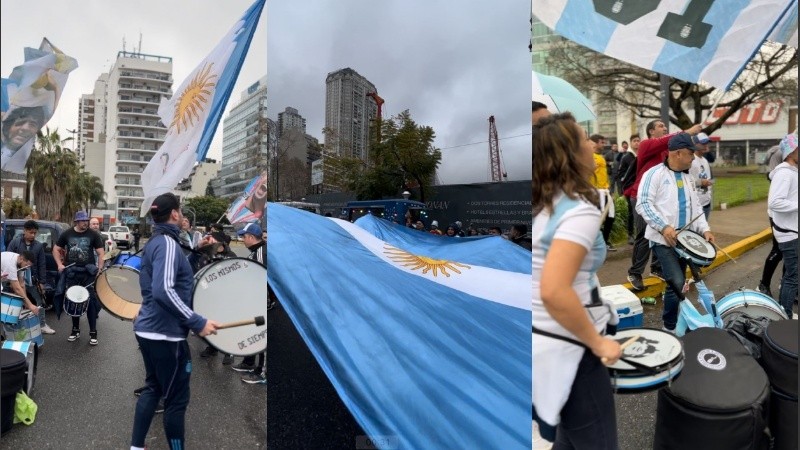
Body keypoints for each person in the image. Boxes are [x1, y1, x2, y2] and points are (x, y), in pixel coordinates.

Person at [532, 112, 622, 447]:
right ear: (571, 153)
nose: (593, 145)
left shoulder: (545, 201)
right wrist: (599, 344)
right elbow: (554, 291)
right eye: (585, 138)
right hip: (572, 348)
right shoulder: (581, 207)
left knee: (570, 440)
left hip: (547, 344)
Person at [129, 193, 219, 450]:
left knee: (153, 387)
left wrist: (194, 255)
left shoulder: (157, 242)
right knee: (176, 401)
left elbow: (177, 278)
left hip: (148, 330)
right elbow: (164, 290)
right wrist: (196, 321)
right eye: (180, 210)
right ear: (175, 214)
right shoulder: (168, 244)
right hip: (166, 334)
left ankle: (136, 447)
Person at [637, 133, 715, 333]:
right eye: (691, 153)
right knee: (677, 282)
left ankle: (674, 320)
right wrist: (664, 227)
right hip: (664, 241)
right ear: (678, 153)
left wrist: (705, 230)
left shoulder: (689, 177)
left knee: (678, 285)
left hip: (685, 241)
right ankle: (669, 327)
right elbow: (643, 204)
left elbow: (696, 207)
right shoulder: (654, 174)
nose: (693, 157)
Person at [624, 120, 702, 291]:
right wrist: (687, 131)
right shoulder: (646, 145)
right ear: (651, 131)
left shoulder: (665, 151)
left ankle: (657, 268)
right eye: (660, 126)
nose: (665, 128)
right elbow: (664, 141)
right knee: (645, 235)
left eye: (665, 127)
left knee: (664, 230)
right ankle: (635, 272)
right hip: (641, 196)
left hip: (660, 196)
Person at [54, 211, 105, 344]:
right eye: (83, 221)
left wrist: (99, 269)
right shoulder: (67, 233)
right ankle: (75, 330)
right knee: (74, 301)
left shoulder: (93, 234)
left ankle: (93, 332)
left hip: (88, 273)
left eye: (87, 220)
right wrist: (59, 264)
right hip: (72, 273)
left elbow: (101, 253)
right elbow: (55, 249)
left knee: (91, 302)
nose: (86, 223)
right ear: (76, 221)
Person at [231, 222, 268, 384]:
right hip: (256, 302)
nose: (242, 240)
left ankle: (262, 373)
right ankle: (253, 365)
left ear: (251, 237)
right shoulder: (256, 252)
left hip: (262, 303)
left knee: (263, 338)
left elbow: (262, 278)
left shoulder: (261, 253)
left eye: (244, 237)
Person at [767, 133, 798, 317]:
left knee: (792, 275)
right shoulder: (785, 173)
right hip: (789, 233)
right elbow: (775, 202)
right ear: (790, 152)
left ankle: (783, 312)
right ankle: (784, 315)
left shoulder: (791, 172)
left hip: (791, 230)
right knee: (792, 277)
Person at [6, 220, 55, 334]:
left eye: (35, 233)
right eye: (30, 232)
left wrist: (42, 282)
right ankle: (16, 326)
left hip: (33, 278)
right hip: (17, 278)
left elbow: (42, 264)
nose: (33, 235)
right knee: (17, 300)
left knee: (40, 301)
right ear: (25, 231)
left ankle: (42, 324)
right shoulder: (15, 243)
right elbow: (10, 261)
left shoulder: (38, 246)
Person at [757, 141, 789, 297]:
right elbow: (772, 177)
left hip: (791, 215)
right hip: (778, 214)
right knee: (779, 250)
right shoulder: (780, 155)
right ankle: (763, 284)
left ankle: (787, 283)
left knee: (791, 251)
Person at [0, 251, 42, 337]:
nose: (27, 268)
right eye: (26, 265)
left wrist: (25, 303)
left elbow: (22, 285)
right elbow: (16, 288)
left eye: (29, 266)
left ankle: (3, 335)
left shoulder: (21, 264)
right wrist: (30, 305)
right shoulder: (10, 263)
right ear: (21, 259)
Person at [589, 134, 616, 251]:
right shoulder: (590, 156)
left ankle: (604, 241)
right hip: (595, 192)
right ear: (594, 143)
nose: (604, 145)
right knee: (597, 219)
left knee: (610, 217)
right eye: (602, 142)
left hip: (605, 191)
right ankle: (597, 244)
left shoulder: (601, 156)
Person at [1, 106, 45, 173]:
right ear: (8, 127)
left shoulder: (31, 161)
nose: (25, 128)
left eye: (32, 125)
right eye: (19, 123)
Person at [616, 134, 640, 246]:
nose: (636, 143)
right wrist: (622, 189)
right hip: (630, 189)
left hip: (641, 187)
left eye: (638, 140)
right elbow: (620, 174)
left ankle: (640, 233)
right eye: (634, 141)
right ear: (630, 143)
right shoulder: (626, 157)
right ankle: (630, 234)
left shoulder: (642, 155)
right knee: (631, 212)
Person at [688, 133, 714, 220]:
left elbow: (709, 178)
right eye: (703, 143)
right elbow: (685, 181)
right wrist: (700, 182)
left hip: (706, 203)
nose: (706, 146)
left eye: (707, 143)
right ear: (695, 144)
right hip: (695, 205)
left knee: (704, 231)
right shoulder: (690, 160)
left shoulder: (705, 160)